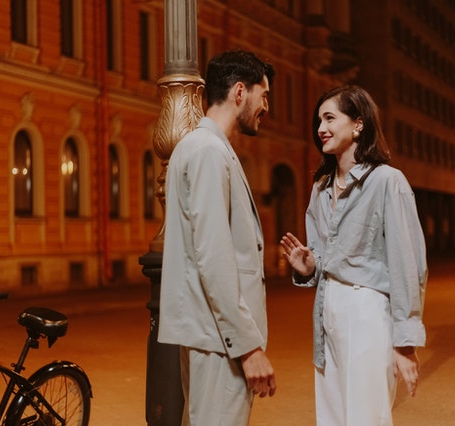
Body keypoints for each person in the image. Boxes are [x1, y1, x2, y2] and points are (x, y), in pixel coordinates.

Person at [280, 85, 427, 426]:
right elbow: (321, 256)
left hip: (368, 312)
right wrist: (309, 266)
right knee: (331, 418)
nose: (321, 129)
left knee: (366, 418)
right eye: (319, 120)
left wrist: (405, 344)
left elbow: (409, 266)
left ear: (358, 124)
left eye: (330, 118)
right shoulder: (320, 188)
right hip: (327, 309)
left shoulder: (388, 182)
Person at [158, 49, 277, 426]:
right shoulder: (209, 151)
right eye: (264, 95)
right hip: (219, 340)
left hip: (210, 335)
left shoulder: (197, 147)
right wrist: (248, 347)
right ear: (240, 92)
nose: (266, 107)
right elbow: (213, 257)